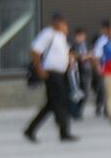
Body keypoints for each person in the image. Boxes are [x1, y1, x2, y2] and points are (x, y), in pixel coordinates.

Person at [25, 12, 77, 143]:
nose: (64, 26)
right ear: (56, 23)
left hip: (61, 73)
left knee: (52, 104)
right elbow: (35, 51)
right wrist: (40, 69)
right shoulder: (48, 34)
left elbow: (64, 53)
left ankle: (30, 130)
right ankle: (64, 132)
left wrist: (69, 62)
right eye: (62, 23)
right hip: (51, 73)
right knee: (60, 102)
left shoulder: (61, 36)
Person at [68, 27, 91, 120]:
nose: (82, 38)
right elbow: (73, 56)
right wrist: (83, 56)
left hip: (86, 71)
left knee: (85, 93)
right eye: (80, 36)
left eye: (83, 36)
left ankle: (78, 111)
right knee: (76, 92)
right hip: (76, 72)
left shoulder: (86, 45)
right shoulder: (73, 46)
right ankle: (75, 112)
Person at [90, 20, 111, 117]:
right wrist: (98, 67)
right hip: (103, 66)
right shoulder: (101, 40)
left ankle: (108, 107)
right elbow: (97, 55)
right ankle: (103, 107)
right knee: (103, 88)